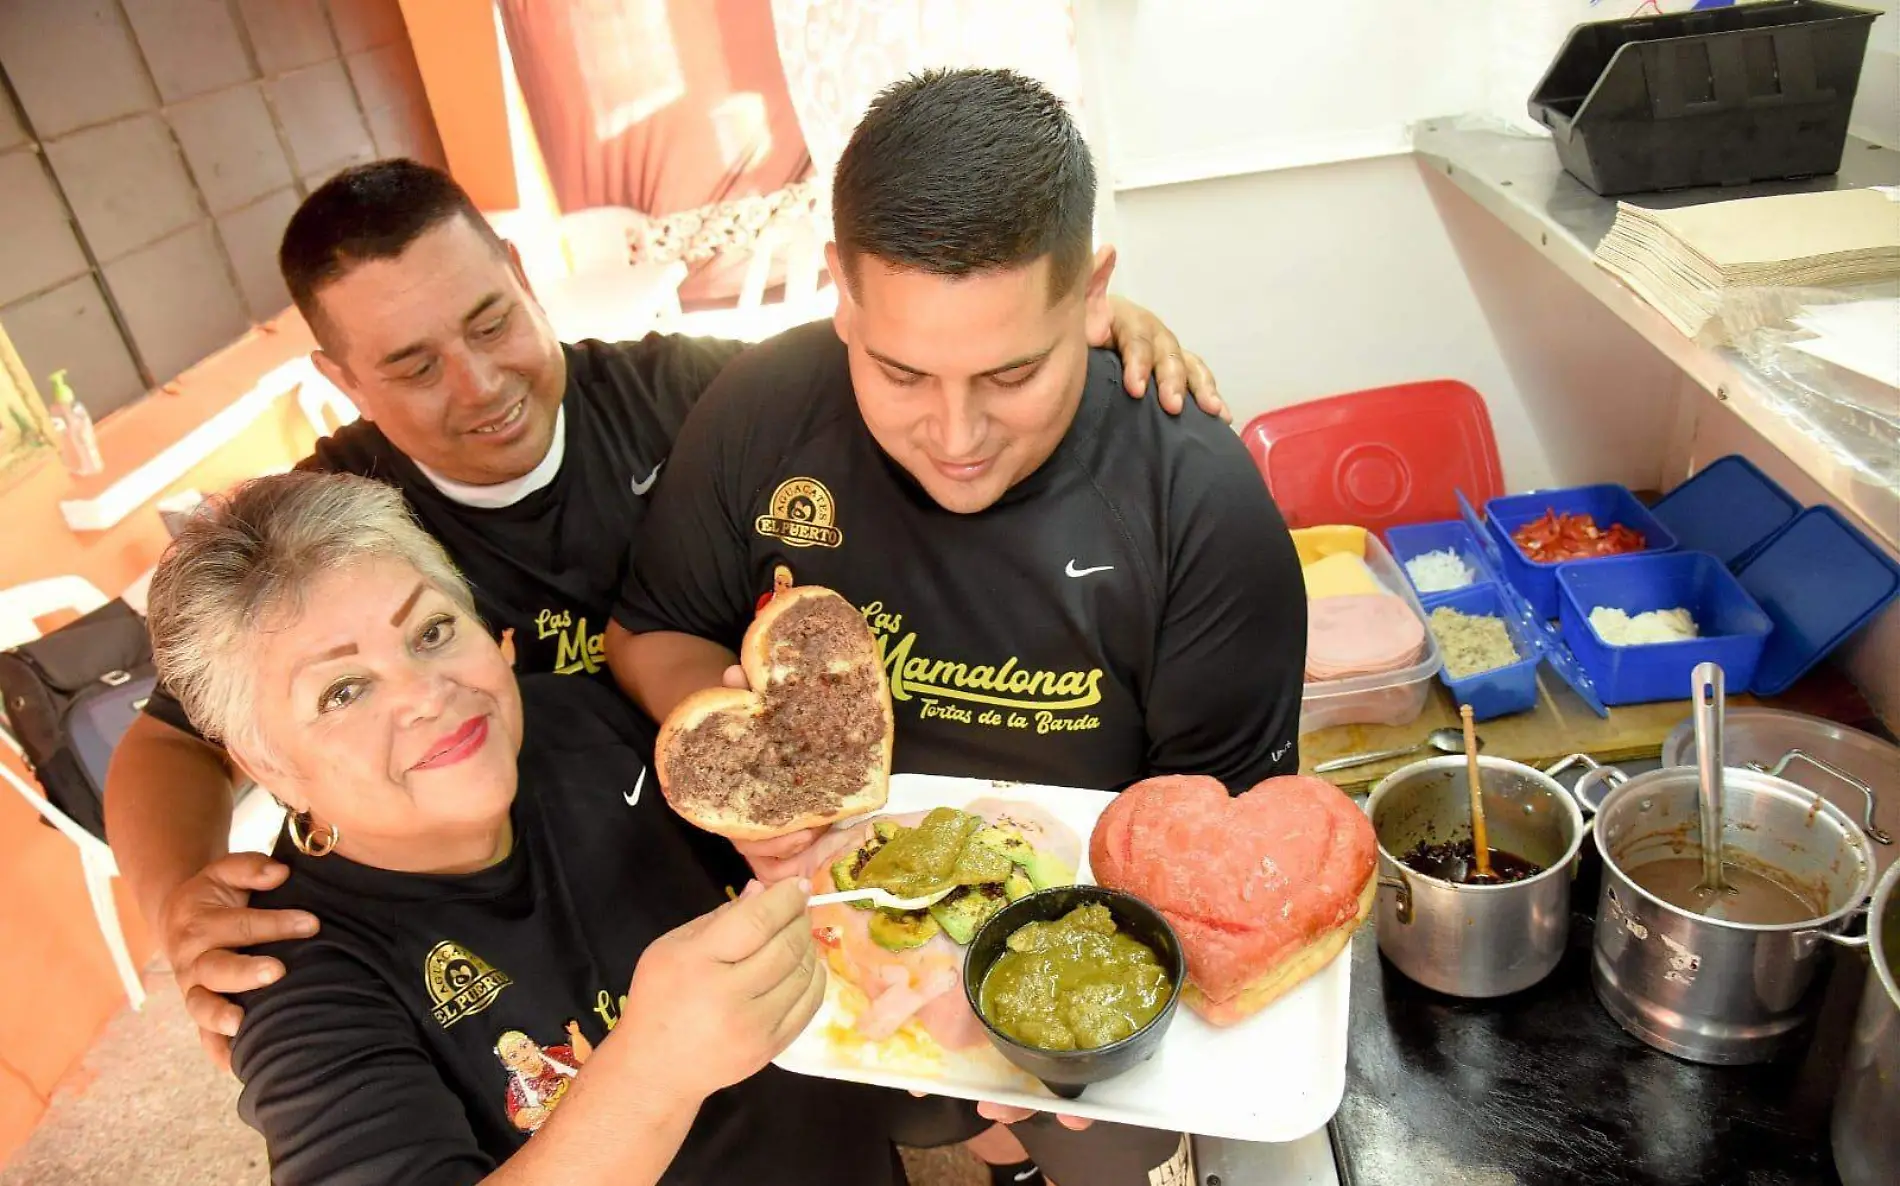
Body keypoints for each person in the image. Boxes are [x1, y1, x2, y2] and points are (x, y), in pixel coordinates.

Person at [102, 158, 1226, 1068]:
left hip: (779, 833)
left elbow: (916, 365)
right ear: (343, 378)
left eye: (491, 320)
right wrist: (177, 908)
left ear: (521, 274)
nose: (478, 382)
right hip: (537, 886)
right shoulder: (329, 527)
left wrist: (1060, 322)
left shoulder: (698, 396)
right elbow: (168, 748)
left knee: (917, 1079)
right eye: (413, 366)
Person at [606, 68, 1308, 1186]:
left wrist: (1063, 1000)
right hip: (833, 945)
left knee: (1104, 1146)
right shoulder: (762, 410)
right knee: (890, 1129)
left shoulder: (1199, 502)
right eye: (899, 370)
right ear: (838, 291)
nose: (956, 433)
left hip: (1092, 953)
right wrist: (765, 778)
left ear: (1093, 296)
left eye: (1011, 371)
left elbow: (1217, 834)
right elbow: (651, 631)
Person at [144, 470, 909, 1185]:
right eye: (344, 689)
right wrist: (652, 1073)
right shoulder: (288, 977)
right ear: (263, 761)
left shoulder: (580, 717)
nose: (427, 694)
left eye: (433, 632)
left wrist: (783, 827)